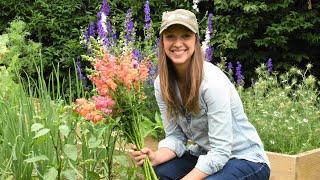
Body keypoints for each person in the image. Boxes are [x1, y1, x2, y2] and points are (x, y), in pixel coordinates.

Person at [131, 9, 270, 180]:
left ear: (196, 40)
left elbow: (220, 151)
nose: (178, 43)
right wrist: (155, 157)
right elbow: (175, 137)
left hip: (245, 158)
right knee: (162, 171)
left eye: (185, 36)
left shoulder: (211, 83)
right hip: (206, 154)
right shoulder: (162, 84)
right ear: (162, 42)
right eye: (170, 36)